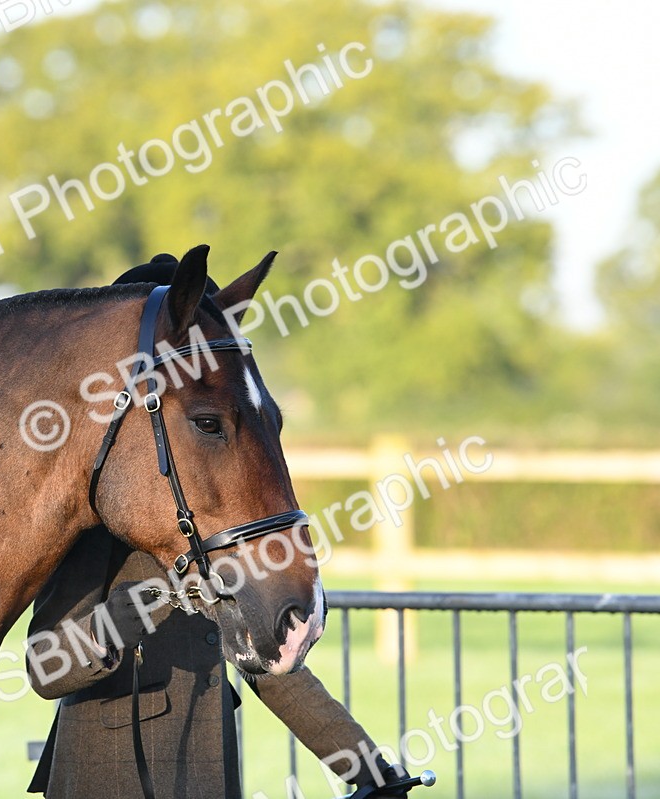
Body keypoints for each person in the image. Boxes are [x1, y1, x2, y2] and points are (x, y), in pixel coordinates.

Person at [25, 255, 409, 799]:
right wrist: (153, 599)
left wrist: (365, 766)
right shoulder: (96, 521)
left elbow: (272, 667)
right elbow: (46, 667)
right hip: (109, 779)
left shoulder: (211, 525)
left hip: (208, 776)